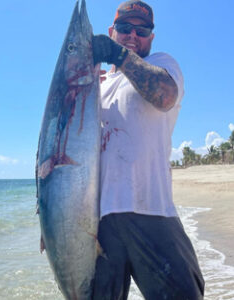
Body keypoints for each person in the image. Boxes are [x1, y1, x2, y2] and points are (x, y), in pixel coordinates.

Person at [91, 1, 205, 299]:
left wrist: (118, 56)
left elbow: (164, 96)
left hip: (151, 210)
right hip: (99, 222)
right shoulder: (97, 87)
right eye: (124, 28)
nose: (132, 35)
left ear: (151, 38)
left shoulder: (163, 63)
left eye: (141, 31)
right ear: (110, 31)